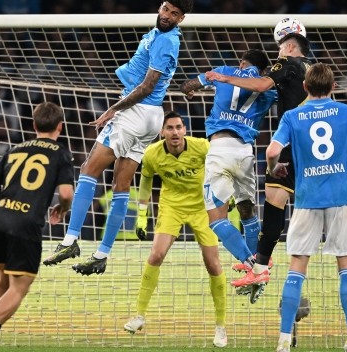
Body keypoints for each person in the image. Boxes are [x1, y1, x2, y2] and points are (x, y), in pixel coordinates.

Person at [42, 0, 194, 275]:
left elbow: (148, 86)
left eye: (174, 14)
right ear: (160, 7)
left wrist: (114, 109)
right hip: (150, 117)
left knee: (89, 169)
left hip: (136, 112)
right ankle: (101, 255)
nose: (167, 15)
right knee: (121, 186)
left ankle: (70, 240)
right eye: (165, 8)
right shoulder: (162, 34)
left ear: (181, 19)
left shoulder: (165, 40)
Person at [266, 63, 347, 352]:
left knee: (296, 268)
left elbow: (272, 151)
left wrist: (274, 168)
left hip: (307, 199)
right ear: (334, 87)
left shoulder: (293, 116)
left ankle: (282, 343)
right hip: (342, 198)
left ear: (305, 88)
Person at [0, 102, 74, 352]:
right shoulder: (60, 152)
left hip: (2, 219)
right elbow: (67, 193)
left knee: (1, 281)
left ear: (34, 125)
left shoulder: (14, 149)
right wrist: (62, 208)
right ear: (61, 126)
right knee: (18, 288)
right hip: (26, 226)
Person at [205, 33, 311, 290]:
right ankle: (273, 272)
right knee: (306, 213)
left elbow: (263, 85)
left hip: (288, 144)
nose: (277, 55)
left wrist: (222, 77)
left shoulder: (285, 64)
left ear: (288, 47)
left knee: (274, 206)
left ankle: (260, 266)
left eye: (279, 49)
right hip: (313, 149)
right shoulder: (312, 72)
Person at [122, 111, 228, 347]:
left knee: (213, 264)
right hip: (171, 204)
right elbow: (146, 180)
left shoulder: (202, 147)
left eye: (179, 127)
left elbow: (223, 167)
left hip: (201, 206)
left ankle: (221, 327)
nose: (175, 132)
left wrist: (222, 200)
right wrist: (141, 215)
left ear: (185, 130)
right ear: (162, 132)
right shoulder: (152, 154)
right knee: (156, 255)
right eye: (169, 128)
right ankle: (139, 315)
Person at [180, 49, 276, 303]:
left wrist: (192, 89)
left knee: (216, 219)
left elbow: (186, 85)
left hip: (220, 149)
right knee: (246, 209)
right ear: (263, 70)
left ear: (242, 63)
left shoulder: (222, 71)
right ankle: (257, 263)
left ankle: (254, 265)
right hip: (246, 151)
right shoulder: (267, 87)